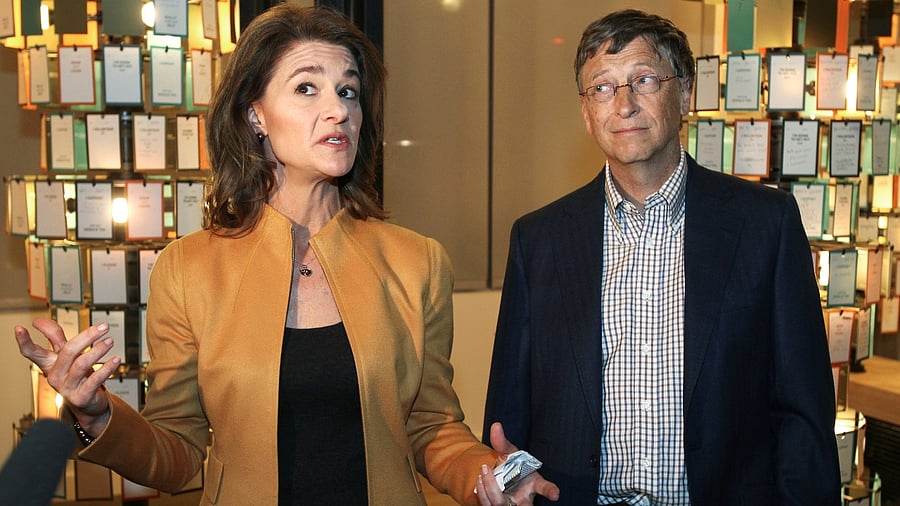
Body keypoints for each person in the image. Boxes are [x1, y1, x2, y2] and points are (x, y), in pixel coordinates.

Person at [13, 5, 559, 506]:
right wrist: (98, 414)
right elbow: (177, 455)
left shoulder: (418, 262)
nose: (338, 110)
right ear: (255, 116)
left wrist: (488, 475)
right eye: (307, 89)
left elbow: (431, 427)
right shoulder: (188, 268)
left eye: (348, 92)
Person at [482, 9, 841, 506]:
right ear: (586, 113)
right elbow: (509, 415)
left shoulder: (765, 223)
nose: (623, 104)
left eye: (643, 80)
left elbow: (804, 412)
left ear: (686, 94)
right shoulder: (538, 240)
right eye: (602, 88)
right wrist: (509, 477)